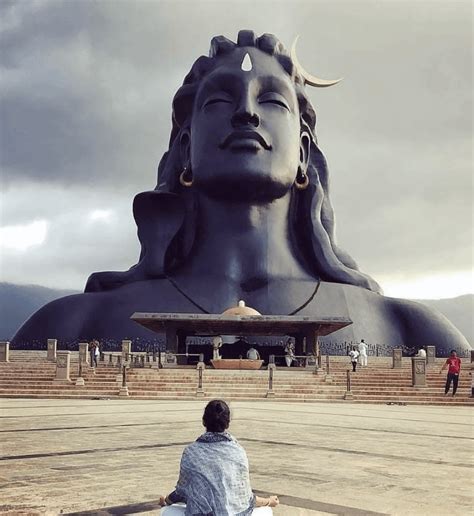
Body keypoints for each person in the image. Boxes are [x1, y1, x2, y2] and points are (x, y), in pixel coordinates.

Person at [11, 31, 471, 359]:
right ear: (185, 149)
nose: (246, 113)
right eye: (219, 101)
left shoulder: (408, 327)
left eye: (271, 100)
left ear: (304, 152)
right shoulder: (73, 323)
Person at [158, 400, 279, 515]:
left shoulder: (191, 452)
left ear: (204, 421)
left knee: (167, 511)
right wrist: (269, 501)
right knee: (266, 511)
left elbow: (183, 491)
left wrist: (166, 501)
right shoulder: (237, 451)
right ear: (227, 423)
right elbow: (245, 498)